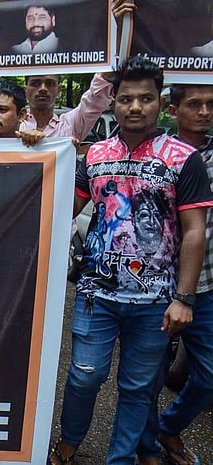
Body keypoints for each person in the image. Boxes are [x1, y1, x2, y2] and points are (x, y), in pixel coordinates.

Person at [48, 56, 213, 465]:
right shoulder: (95, 154)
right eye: (125, 99)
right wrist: (47, 158)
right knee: (84, 376)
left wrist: (184, 299)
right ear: (113, 104)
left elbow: (195, 231)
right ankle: (68, 442)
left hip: (157, 303)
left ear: (160, 104)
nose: (135, 107)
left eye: (145, 98)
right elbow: (66, 210)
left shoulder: (183, 158)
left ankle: (120, 458)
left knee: (139, 387)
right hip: (95, 295)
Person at [136, 84, 213, 465]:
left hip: (205, 285)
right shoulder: (155, 155)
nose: (203, 112)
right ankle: (148, 445)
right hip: (157, 285)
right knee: (148, 376)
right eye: (194, 104)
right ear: (173, 108)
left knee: (208, 375)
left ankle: (169, 426)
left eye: (211, 105)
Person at [0, 0, 125, 140]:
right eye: (36, 83)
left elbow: (98, 94)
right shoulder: (7, 116)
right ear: (26, 89)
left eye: (50, 84)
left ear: (59, 90)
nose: (42, 89)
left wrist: (118, 28)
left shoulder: (72, 125)